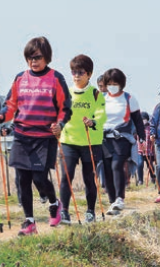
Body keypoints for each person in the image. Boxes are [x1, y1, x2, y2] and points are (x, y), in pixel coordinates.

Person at [0, 36, 71, 235]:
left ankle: (55, 204)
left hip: (44, 136)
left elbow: (65, 108)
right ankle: (29, 222)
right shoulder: (20, 78)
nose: (33, 61)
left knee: (39, 177)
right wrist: (2, 117)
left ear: (47, 57)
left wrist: (60, 124)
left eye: (37, 57)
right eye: (29, 58)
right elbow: (11, 104)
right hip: (22, 134)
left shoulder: (56, 78)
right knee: (22, 178)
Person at [59, 54, 106, 224]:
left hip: (90, 141)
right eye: (73, 72)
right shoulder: (66, 92)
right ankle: (63, 211)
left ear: (89, 74)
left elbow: (101, 115)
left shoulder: (95, 94)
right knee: (66, 176)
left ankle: (90, 211)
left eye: (80, 72)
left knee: (89, 177)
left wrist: (93, 121)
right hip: (68, 140)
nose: (76, 76)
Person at [102, 68, 145, 215]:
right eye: (109, 83)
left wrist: (142, 138)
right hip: (104, 138)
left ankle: (120, 198)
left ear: (121, 84)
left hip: (122, 137)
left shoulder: (129, 99)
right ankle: (112, 201)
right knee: (106, 169)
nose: (112, 86)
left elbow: (138, 121)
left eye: (115, 83)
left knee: (116, 165)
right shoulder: (101, 98)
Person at [137, 111, 156, 185]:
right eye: (142, 119)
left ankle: (153, 178)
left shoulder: (150, 127)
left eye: (145, 119)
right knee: (140, 164)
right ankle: (140, 180)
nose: (143, 121)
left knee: (150, 165)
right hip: (140, 150)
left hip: (149, 151)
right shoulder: (138, 127)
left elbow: (153, 136)